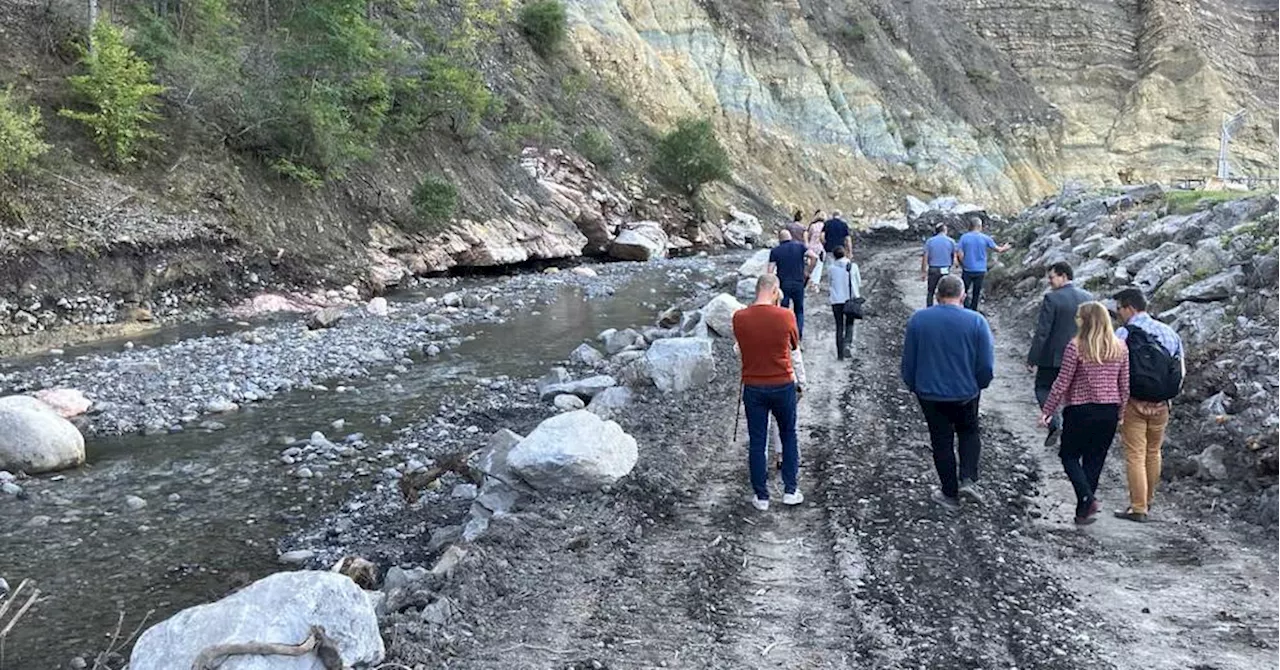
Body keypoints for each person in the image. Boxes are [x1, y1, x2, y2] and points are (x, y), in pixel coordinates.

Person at [901, 275, 995, 510]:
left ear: (937, 295)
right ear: (963, 295)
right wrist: (980, 384)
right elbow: (986, 364)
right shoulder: (976, 322)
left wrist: (913, 385)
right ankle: (968, 479)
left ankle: (949, 493)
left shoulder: (918, 320)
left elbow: (908, 361)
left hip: (930, 394)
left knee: (941, 440)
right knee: (969, 432)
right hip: (966, 393)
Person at [1039, 302, 1129, 525]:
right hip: (1109, 410)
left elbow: (1062, 382)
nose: (1076, 321)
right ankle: (1083, 511)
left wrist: (1048, 410)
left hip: (1080, 409)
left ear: (1085, 321)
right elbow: (1125, 384)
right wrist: (1121, 412)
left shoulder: (1076, 346)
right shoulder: (1120, 347)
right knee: (1095, 460)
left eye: (1079, 317)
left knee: (1068, 455)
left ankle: (1087, 499)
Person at [1112, 288, 1185, 523]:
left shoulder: (1124, 333)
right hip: (1161, 403)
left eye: (1119, 309)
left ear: (1129, 307)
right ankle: (1148, 499)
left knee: (1135, 453)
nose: (1118, 314)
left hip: (1134, 401)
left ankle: (1138, 506)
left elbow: (1115, 367)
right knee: (1154, 452)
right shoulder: (1169, 332)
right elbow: (1180, 370)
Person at [733, 274, 804, 511]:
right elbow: (794, 346)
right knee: (788, 434)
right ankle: (790, 490)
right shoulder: (786, 315)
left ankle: (761, 497)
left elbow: (739, 348)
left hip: (753, 386)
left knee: (757, 440)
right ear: (775, 290)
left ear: (757, 290)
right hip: (782, 383)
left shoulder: (739, 317)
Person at [1027, 262, 1093, 446]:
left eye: (1052, 277)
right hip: (1082, 355)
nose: (1050, 282)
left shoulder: (1052, 298)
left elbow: (1043, 332)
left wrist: (1033, 357)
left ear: (1064, 276)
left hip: (1053, 357)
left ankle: (1053, 421)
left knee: (1043, 388)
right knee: (1075, 394)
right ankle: (1076, 433)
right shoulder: (1088, 297)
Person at [767, 230, 815, 339]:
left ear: (779, 239)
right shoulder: (800, 247)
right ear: (790, 237)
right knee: (799, 310)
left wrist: (772, 287)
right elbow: (814, 257)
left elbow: (769, 271)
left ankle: (785, 335)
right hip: (799, 282)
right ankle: (798, 337)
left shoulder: (775, 251)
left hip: (783, 284)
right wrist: (808, 272)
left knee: (783, 311)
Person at [956, 218, 1011, 311]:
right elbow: (999, 250)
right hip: (980, 270)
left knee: (964, 291)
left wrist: (963, 264)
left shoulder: (964, 237)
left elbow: (960, 253)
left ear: (971, 226)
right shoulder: (985, 238)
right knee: (976, 292)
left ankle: (965, 308)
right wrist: (1006, 247)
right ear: (980, 226)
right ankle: (974, 310)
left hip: (968, 269)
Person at [827, 247, 862, 360]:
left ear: (834, 256)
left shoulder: (831, 268)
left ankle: (840, 355)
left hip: (836, 300)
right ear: (845, 254)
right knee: (850, 323)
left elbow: (830, 283)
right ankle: (847, 344)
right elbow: (858, 282)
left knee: (839, 326)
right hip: (850, 299)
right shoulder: (853, 266)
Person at [919, 222, 957, 307]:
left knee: (930, 292)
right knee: (945, 291)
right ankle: (943, 307)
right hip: (945, 269)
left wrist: (923, 272)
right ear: (945, 230)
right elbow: (955, 258)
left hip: (933, 268)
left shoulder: (930, 241)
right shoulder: (951, 241)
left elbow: (925, 257)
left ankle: (929, 309)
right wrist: (955, 266)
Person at [806, 215, 826, 290]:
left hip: (812, 246)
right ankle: (815, 283)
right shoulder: (824, 226)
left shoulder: (812, 226)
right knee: (819, 265)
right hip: (820, 247)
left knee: (810, 264)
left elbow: (809, 236)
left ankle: (809, 280)